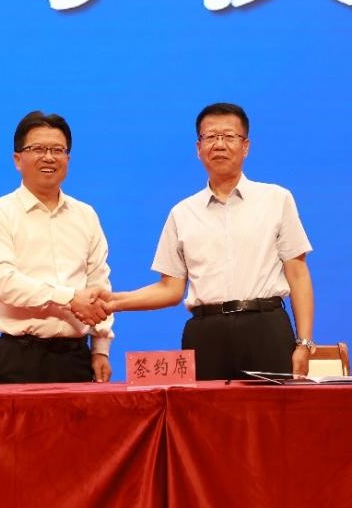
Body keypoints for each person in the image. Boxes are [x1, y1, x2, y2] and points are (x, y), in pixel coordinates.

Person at [108, 103, 316, 380]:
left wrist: (304, 342)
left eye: (229, 136)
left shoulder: (277, 199)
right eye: (211, 137)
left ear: (245, 146)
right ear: (198, 148)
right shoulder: (182, 213)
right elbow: (170, 289)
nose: (219, 144)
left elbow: (298, 274)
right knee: (204, 409)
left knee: (271, 409)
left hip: (266, 328)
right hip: (206, 334)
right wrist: (114, 302)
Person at [0, 111, 114, 383]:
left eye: (57, 150)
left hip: (76, 357)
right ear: (17, 159)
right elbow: (5, 283)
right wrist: (69, 298)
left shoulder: (86, 215)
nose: (49, 157)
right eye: (38, 149)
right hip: (19, 356)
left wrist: (100, 348)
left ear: (68, 159)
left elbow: (99, 283)